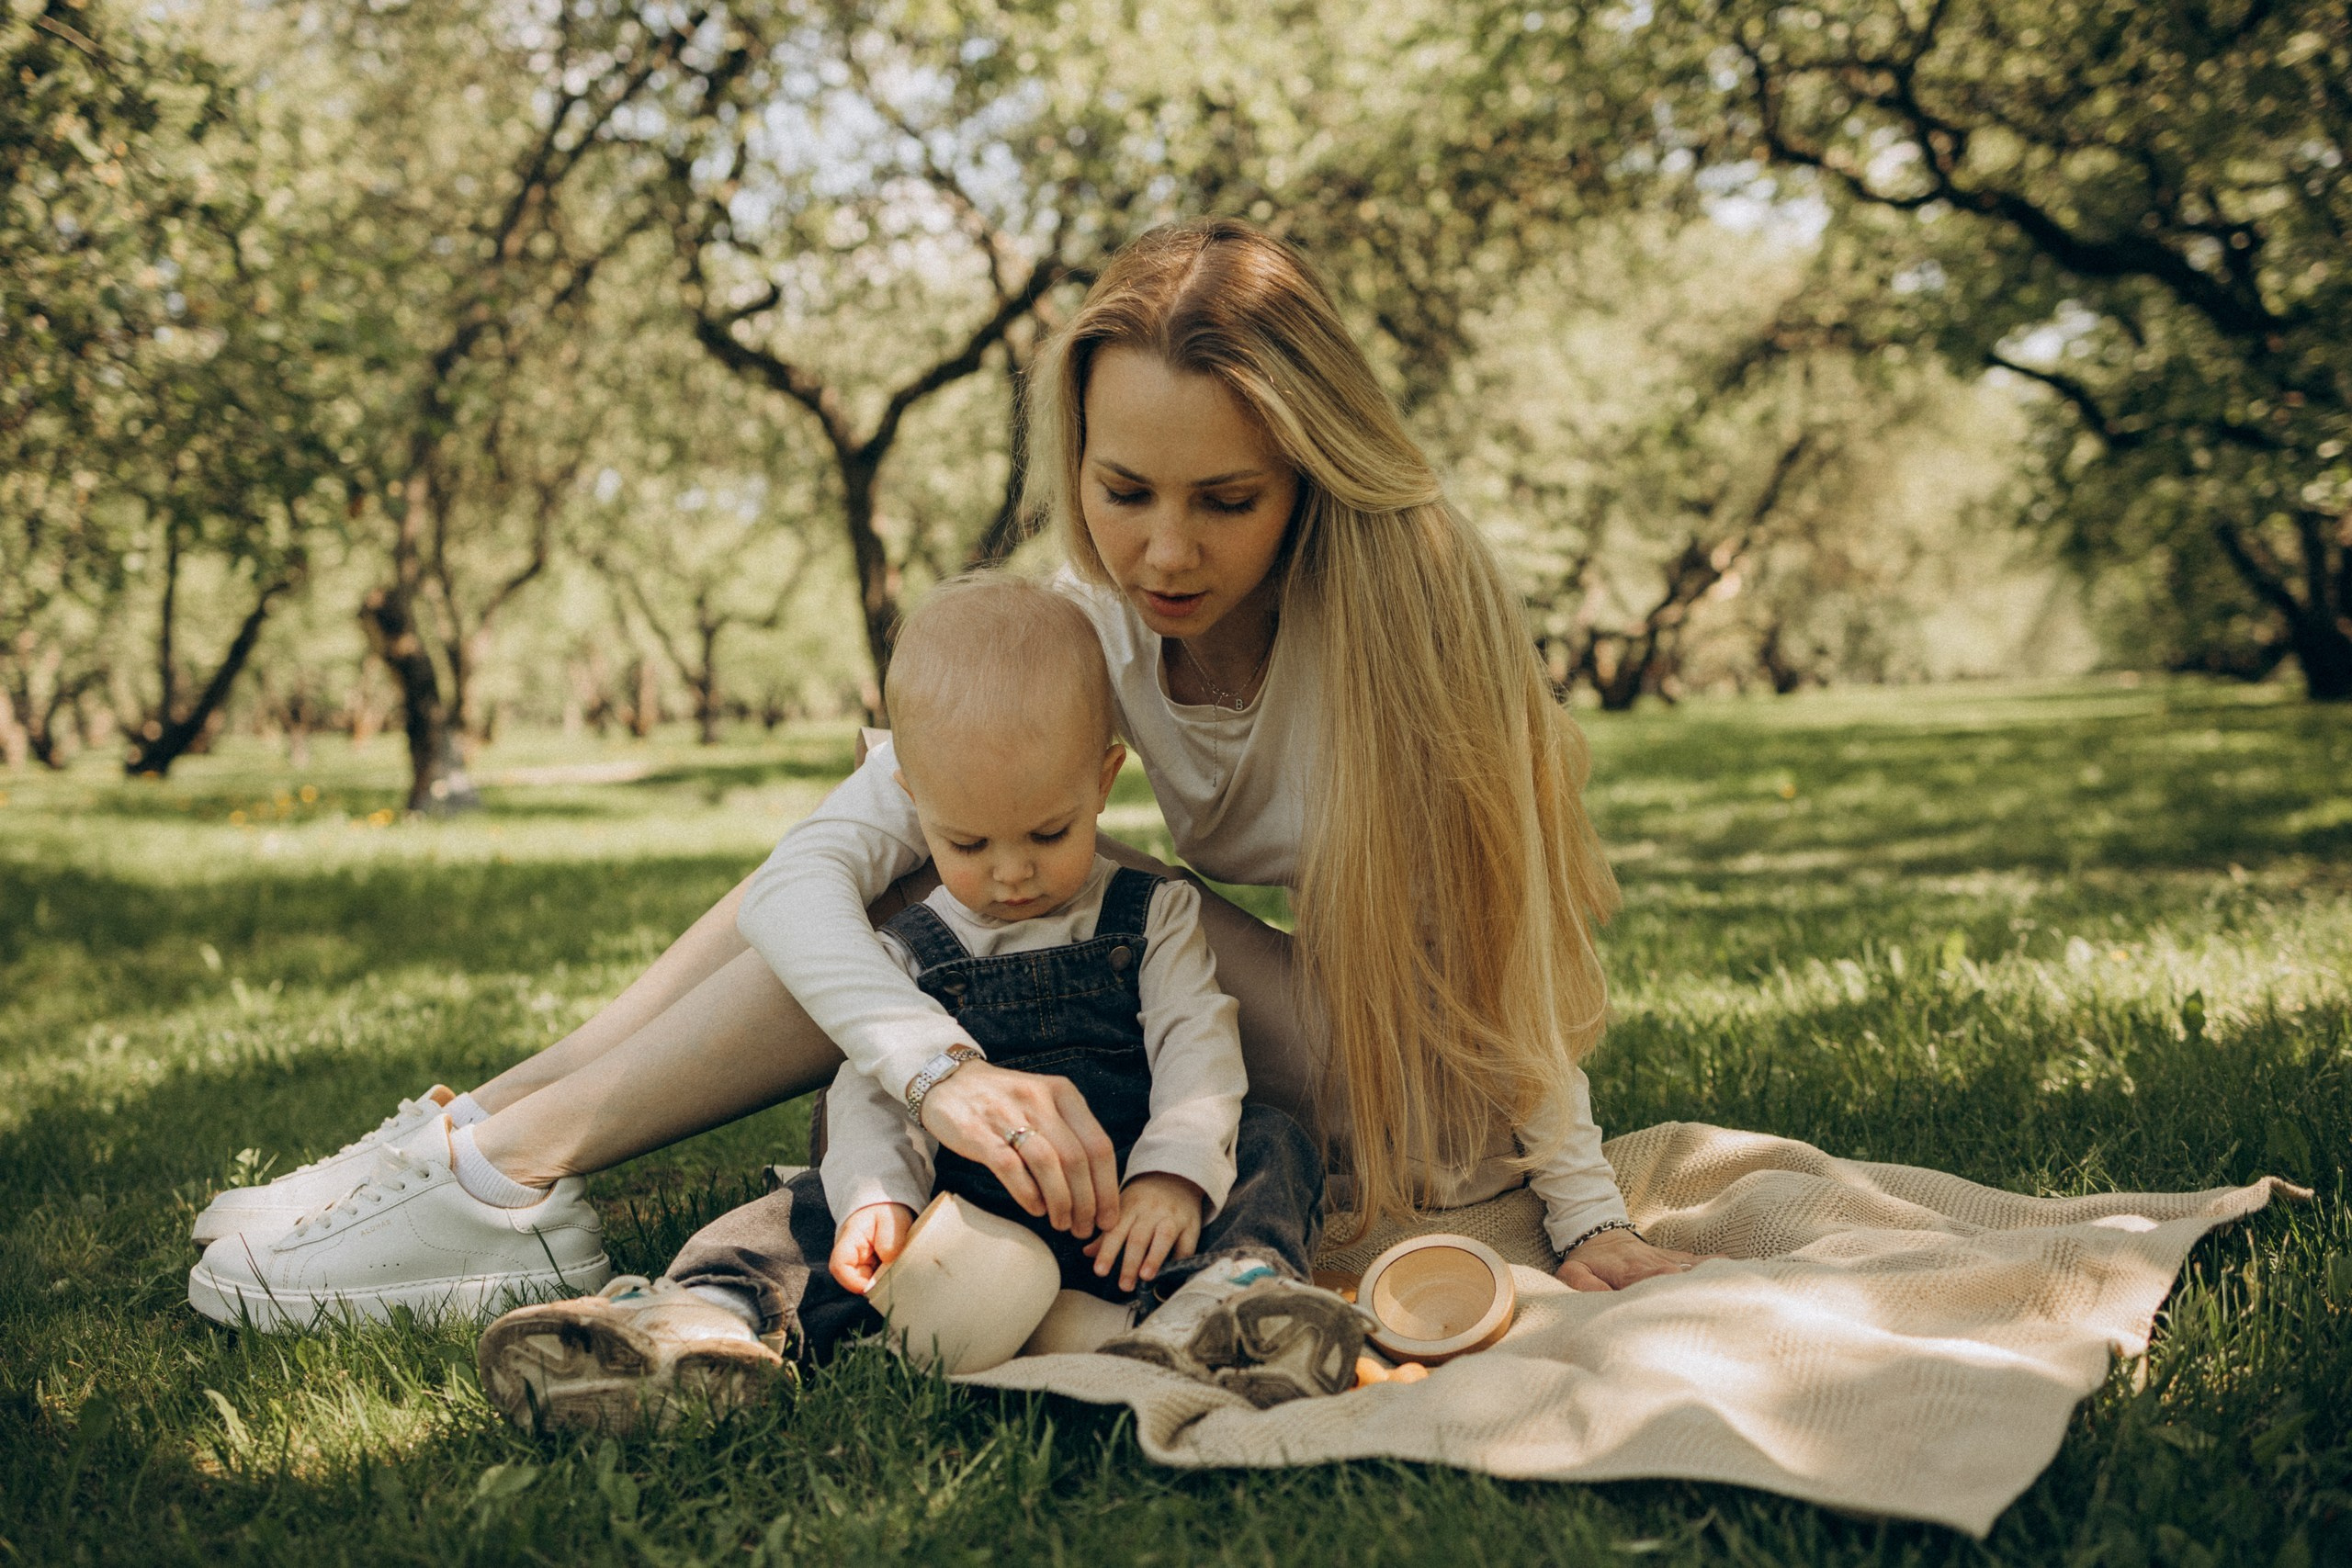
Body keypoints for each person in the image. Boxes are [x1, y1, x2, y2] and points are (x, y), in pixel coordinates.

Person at [186, 216, 1702, 1342]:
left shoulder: (1411, 610)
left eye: (1227, 500)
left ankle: (507, 1170)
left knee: (966, 862)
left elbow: (1507, 946)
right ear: (1078, 454)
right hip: (1261, 1023)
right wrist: (937, 1068)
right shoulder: (1094, 617)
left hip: (1418, 1079)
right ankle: (472, 1140)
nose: (1166, 548)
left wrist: (1584, 1209)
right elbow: (806, 871)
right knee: (947, 837)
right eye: (1124, 490)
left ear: (1311, 471)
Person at [472, 576, 1359, 1429]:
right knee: (803, 1212)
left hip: (1129, 1203)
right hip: (954, 1209)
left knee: (1270, 1141)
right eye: (967, 843)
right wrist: (877, 1196)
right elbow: (872, 1088)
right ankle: (702, 1317)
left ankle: (1229, 1306)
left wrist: (1172, 1173)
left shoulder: (1153, 913)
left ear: (1104, 779)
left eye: (1049, 832)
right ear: (912, 805)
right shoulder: (907, 941)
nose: (1011, 872)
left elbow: (1198, 1045)